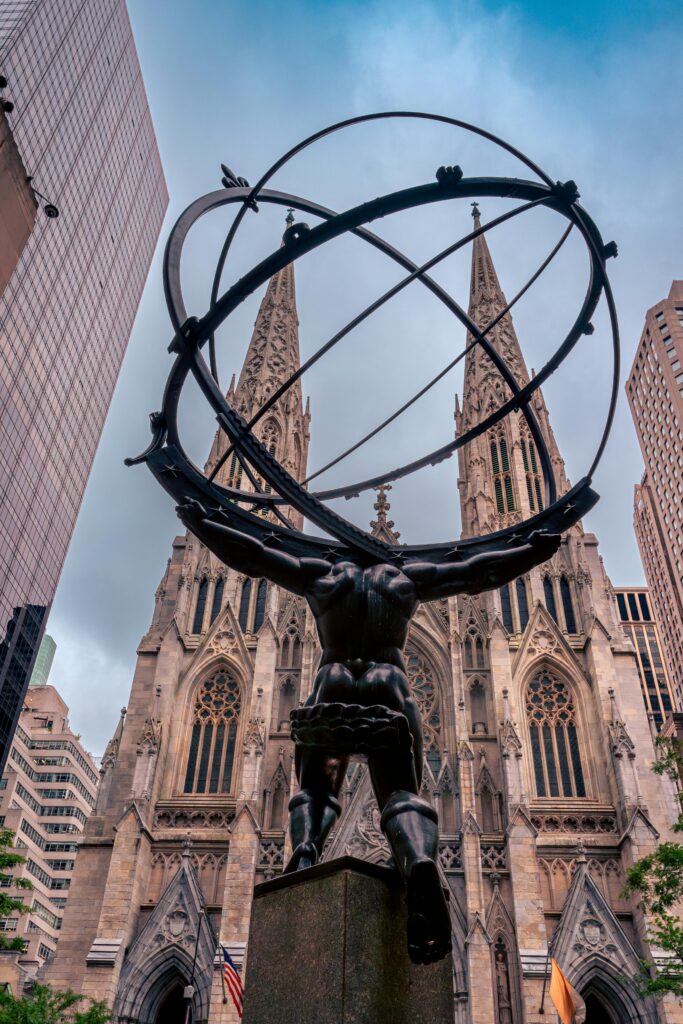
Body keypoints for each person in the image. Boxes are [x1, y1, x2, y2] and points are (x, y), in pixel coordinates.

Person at [177, 498, 559, 964]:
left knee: (316, 789)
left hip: (332, 685)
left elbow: (254, 554)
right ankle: (419, 860)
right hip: (388, 687)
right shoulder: (402, 579)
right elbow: (478, 570)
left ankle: (306, 848)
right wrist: (537, 548)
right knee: (401, 792)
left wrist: (201, 520)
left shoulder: (324, 574)